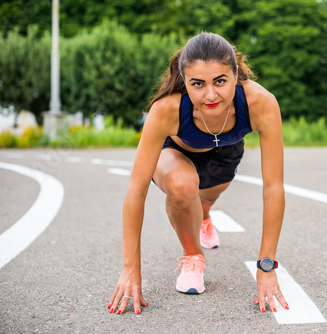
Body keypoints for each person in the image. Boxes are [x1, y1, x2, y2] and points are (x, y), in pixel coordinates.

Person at [108, 32, 288, 315]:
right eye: (198, 84)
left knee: (204, 200)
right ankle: (193, 256)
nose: (211, 94)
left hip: (225, 153)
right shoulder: (166, 109)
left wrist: (266, 265)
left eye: (220, 81)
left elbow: (273, 187)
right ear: (184, 81)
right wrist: (130, 269)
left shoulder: (261, 102)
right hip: (178, 152)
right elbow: (137, 189)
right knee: (183, 187)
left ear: (236, 73)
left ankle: (204, 215)